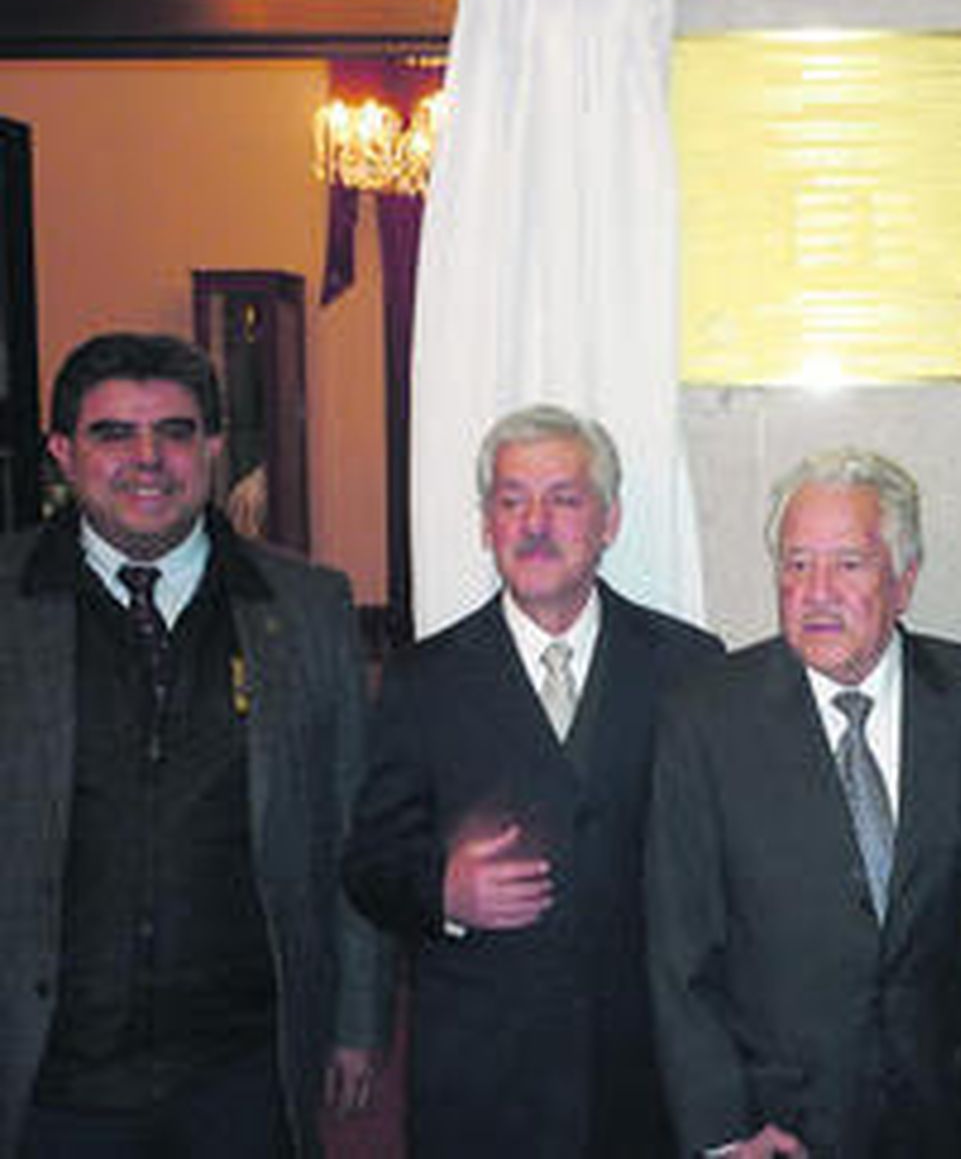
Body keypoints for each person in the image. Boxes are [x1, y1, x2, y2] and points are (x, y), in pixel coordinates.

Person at [0, 332, 390, 1158]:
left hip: (241, 1073)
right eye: (113, 434)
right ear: (63, 453)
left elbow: (352, 825)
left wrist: (359, 1017)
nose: (148, 459)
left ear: (212, 448)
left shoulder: (309, 605)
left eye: (175, 431)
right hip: (48, 1074)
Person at [342, 404, 723, 1157]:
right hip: (482, 1085)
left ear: (609, 521)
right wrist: (440, 892)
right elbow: (368, 862)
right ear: (486, 525)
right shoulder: (423, 679)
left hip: (642, 1078)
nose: (535, 522)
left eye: (565, 498)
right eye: (511, 500)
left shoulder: (688, 667)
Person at [647, 447, 961, 1158]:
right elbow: (678, 946)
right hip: (779, 1126)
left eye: (848, 563)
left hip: (944, 1116)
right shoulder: (707, 717)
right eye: (796, 563)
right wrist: (724, 1129)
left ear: (904, 579)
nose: (816, 591)